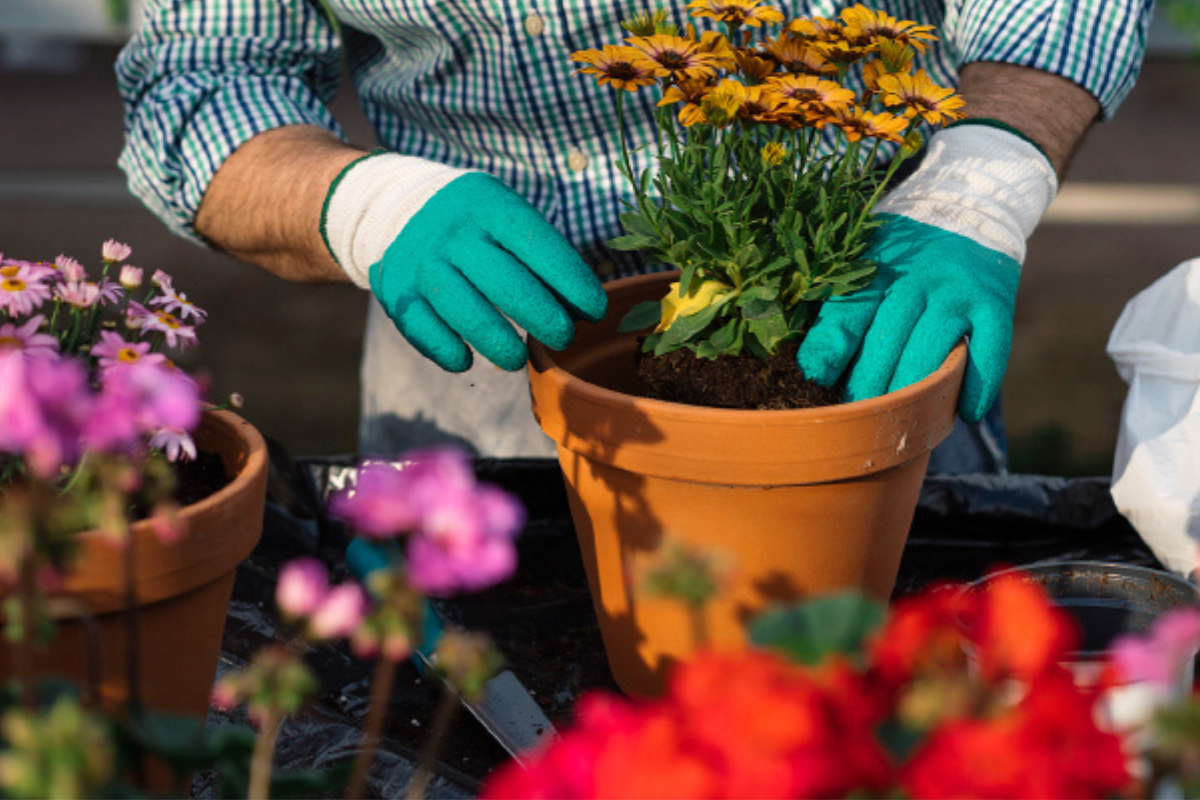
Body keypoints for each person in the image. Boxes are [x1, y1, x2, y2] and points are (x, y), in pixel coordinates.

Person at [116, 0, 1153, 471]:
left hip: (875, 284)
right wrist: (362, 204)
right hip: (484, 324)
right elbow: (204, 72)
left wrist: (981, 180)